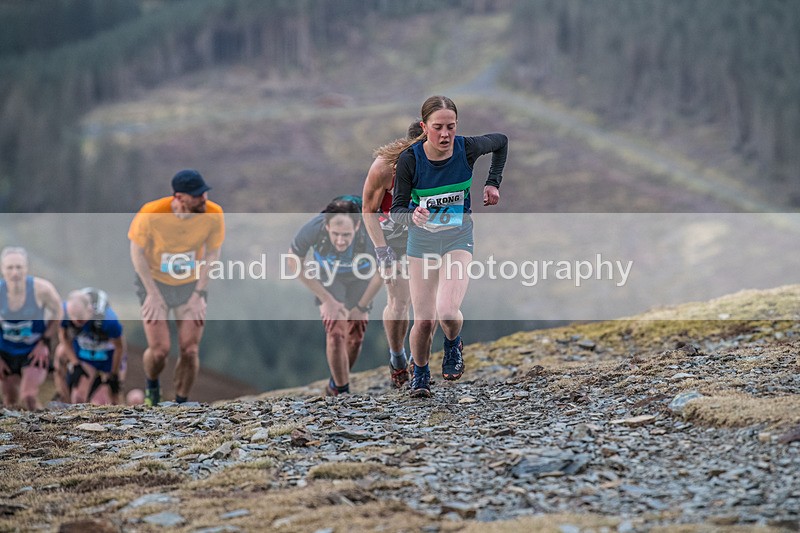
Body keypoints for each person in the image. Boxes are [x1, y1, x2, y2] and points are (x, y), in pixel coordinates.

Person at [389, 95, 508, 398]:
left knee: (447, 311)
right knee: (425, 320)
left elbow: (501, 141)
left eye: (451, 127)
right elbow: (397, 210)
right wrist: (412, 216)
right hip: (422, 242)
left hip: (458, 238)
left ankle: (453, 344)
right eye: (438, 127)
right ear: (423, 126)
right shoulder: (410, 159)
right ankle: (421, 372)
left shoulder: (466, 148)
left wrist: (493, 182)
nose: (445, 135)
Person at [128, 169, 225, 406]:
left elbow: (213, 254)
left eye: (204, 193)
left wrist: (199, 294)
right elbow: (136, 252)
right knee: (160, 350)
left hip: (190, 284)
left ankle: (181, 404)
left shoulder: (213, 213)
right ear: (179, 197)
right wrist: (152, 293)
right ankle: (152, 385)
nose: (204, 198)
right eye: (197, 195)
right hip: (154, 282)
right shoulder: (151, 213)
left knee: (190, 350)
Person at [286, 197, 384, 396]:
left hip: (361, 276)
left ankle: (337, 380)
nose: (340, 241)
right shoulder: (314, 228)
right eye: (336, 234)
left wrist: (362, 307)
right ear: (326, 226)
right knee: (335, 330)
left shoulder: (371, 227)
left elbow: (383, 270)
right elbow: (293, 261)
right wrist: (326, 299)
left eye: (346, 235)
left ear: (357, 227)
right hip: (330, 276)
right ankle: (341, 391)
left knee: (356, 335)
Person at [363, 120, 424, 388]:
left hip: (428, 229)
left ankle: (420, 363)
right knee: (400, 300)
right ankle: (398, 358)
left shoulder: (444, 162)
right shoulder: (384, 167)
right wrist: (381, 250)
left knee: (427, 302)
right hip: (392, 231)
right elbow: (368, 210)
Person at [0, 247, 63, 410]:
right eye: (10, 267)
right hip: (5, 352)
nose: (15, 273)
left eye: (19, 267)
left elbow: (58, 312)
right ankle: (14, 435)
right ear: (2, 270)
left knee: (28, 396)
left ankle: (43, 432)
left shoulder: (41, 289)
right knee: (10, 400)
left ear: (26, 268)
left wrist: (45, 341)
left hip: (34, 350)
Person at [55, 288, 126, 405]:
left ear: (90, 310)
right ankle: (63, 400)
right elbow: (63, 336)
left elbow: (120, 347)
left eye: (81, 319)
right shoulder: (64, 313)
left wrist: (113, 374)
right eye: (74, 319)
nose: (77, 322)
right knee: (78, 398)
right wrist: (75, 364)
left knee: (112, 400)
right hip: (86, 353)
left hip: (108, 355)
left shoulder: (109, 321)